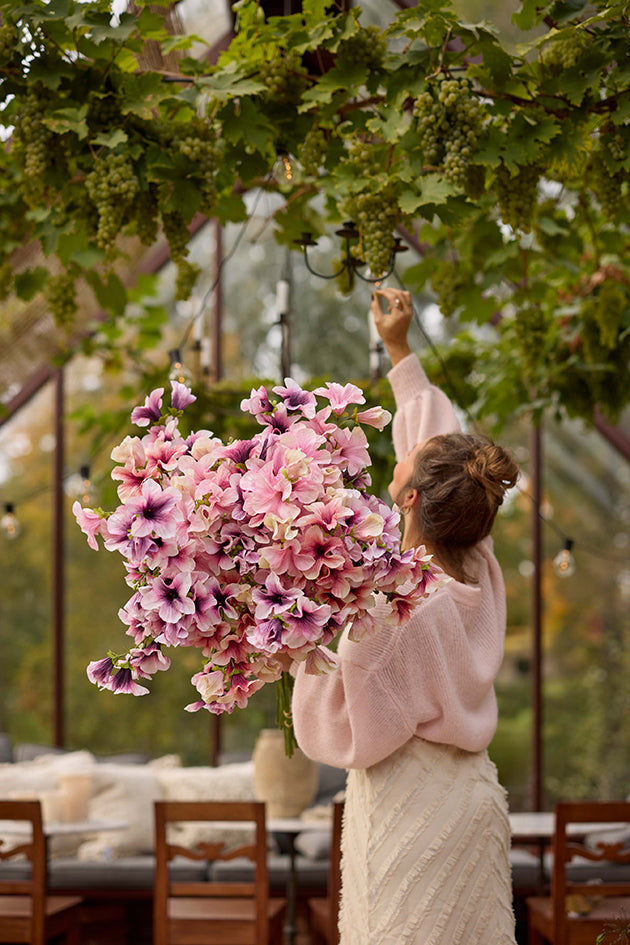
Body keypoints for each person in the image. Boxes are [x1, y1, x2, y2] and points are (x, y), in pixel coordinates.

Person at [291, 287, 520, 945]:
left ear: (411, 496)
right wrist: (399, 349)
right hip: (473, 802)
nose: (393, 462)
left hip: (410, 812)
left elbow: (343, 733)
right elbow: (441, 450)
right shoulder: (476, 563)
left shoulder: (396, 608)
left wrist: (296, 641)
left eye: (401, 466)